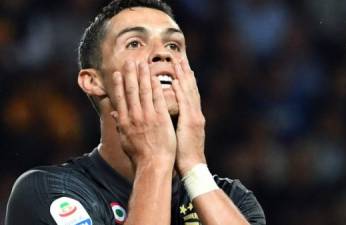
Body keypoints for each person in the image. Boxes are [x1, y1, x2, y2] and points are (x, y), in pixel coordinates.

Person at [5, 0, 266, 225]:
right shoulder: (51, 193)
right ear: (93, 81)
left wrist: (195, 168)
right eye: (134, 43)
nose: (163, 53)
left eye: (174, 46)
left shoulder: (231, 198)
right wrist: (154, 161)